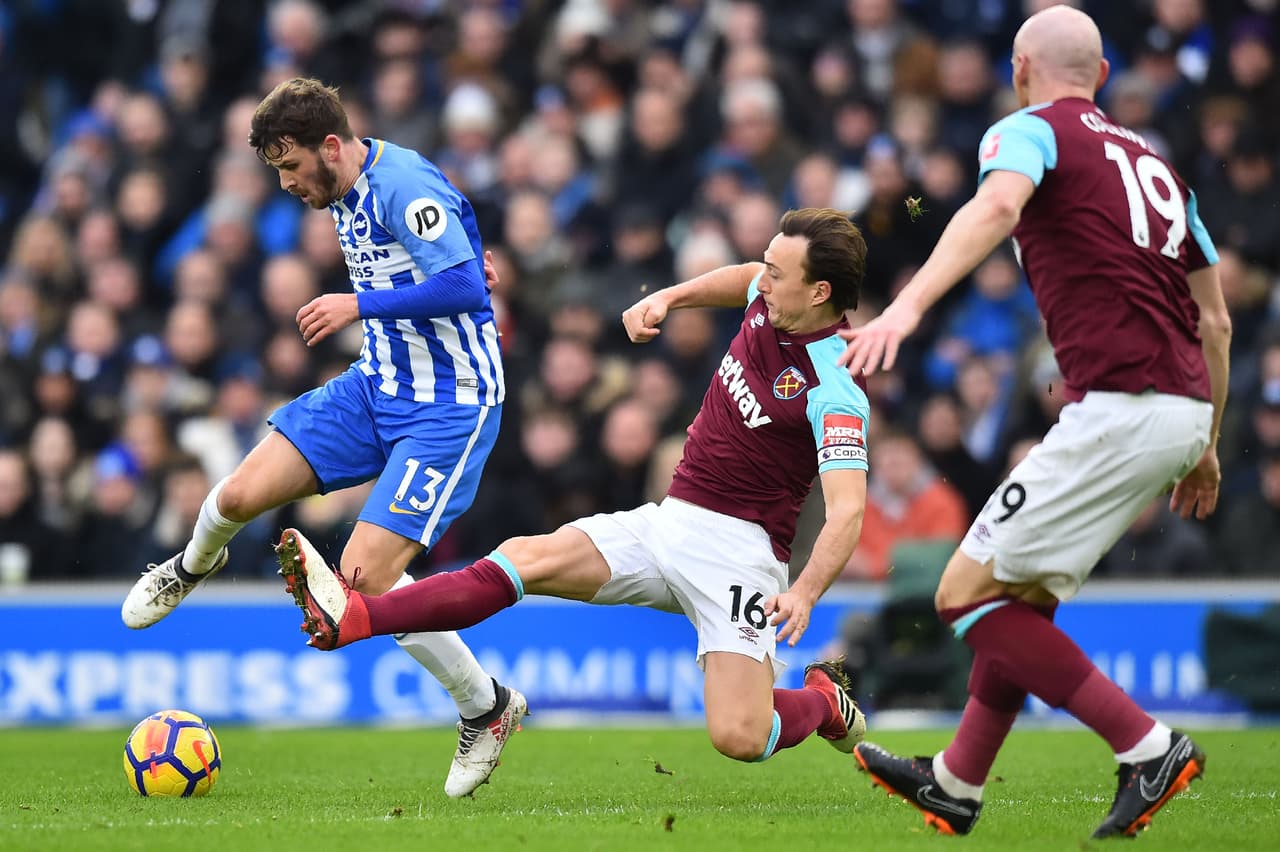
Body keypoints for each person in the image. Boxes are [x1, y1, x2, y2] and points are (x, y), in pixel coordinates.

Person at [278, 208, 874, 767]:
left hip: (740, 555)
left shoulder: (836, 388)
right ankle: (359, 616)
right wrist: (670, 296)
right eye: (766, 265)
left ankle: (822, 701)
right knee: (521, 558)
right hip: (670, 519)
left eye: (777, 271)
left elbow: (846, 511)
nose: (762, 280)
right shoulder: (771, 298)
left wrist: (807, 593)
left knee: (740, 736)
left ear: (819, 292)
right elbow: (744, 276)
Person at [838, 6, 1231, 840]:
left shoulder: (1026, 131)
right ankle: (957, 781)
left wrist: (903, 311)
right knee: (1020, 599)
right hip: (1181, 409)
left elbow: (998, 209)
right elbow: (1218, 322)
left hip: (1118, 407)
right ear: (1104, 74)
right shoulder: (1160, 168)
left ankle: (1147, 746)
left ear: (1021, 67)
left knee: (961, 596)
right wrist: (1209, 444)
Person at [120, 78, 525, 798]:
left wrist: (358, 304)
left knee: (365, 579)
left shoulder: (398, 183)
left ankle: (486, 708)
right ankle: (188, 566)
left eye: (291, 168)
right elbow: (455, 217)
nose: (285, 185)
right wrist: (468, 247)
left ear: (330, 146)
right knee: (241, 491)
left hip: (448, 405)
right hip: (377, 385)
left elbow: (466, 288)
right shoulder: (346, 184)